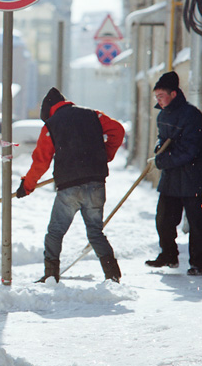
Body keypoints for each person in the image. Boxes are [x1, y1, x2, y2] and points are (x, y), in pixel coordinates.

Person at [16, 87, 125, 283]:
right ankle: (113, 275)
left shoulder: (51, 125)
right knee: (95, 231)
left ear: (47, 111)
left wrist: (27, 185)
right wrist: (105, 155)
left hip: (70, 188)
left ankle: (50, 276)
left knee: (55, 232)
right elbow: (118, 130)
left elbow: (41, 160)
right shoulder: (93, 115)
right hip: (96, 183)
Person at [146, 71, 202, 276]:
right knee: (164, 219)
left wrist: (162, 160)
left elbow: (190, 150)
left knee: (197, 223)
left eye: (161, 95)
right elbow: (163, 139)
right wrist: (159, 149)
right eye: (156, 96)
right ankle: (168, 255)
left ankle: (197, 263)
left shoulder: (191, 116)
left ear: (174, 94)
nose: (158, 100)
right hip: (172, 178)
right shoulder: (163, 115)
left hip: (195, 177)